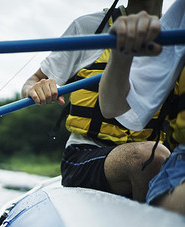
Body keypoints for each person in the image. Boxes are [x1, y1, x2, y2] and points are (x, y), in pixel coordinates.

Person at [21, 0, 170, 202]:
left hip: (164, 158)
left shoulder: (176, 33)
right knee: (149, 158)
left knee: (154, 157)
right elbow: (33, 81)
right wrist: (35, 88)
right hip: (86, 154)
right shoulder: (88, 27)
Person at [99, 0, 185, 215]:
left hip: (154, 150)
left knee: (150, 154)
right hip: (88, 150)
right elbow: (111, 107)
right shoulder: (178, 18)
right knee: (147, 155)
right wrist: (121, 55)